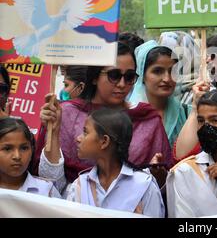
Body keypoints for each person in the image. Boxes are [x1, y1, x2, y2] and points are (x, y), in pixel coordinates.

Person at [34, 42, 173, 194]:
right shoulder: (66, 113)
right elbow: (48, 182)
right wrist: (53, 132)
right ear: (94, 77)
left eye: (129, 77)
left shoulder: (147, 119)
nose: (122, 84)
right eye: (114, 75)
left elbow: (163, 185)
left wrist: (158, 176)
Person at [40, 107, 164, 217]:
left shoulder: (145, 186)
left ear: (104, 141)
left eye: (85, 132)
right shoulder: (80, 186)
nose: (78, 138)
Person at [129, 40, 190, 146]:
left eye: (172, 71)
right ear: (142, 76)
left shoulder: (187, 114)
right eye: (157, 71)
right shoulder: (127, 116)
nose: (167, 78)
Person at [0, 117, 60, 197]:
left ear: (32, 150)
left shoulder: (46, 190)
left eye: (24, 148)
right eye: (7, 149)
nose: (17, 156)